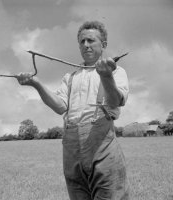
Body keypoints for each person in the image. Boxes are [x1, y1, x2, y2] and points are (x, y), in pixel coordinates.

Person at [17, 21, 129, 200]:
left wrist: (106, 75)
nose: (85, 45)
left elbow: (115, 102)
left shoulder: (116, 72)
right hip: (71, 149)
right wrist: (35, 83)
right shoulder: (70, 77)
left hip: (102, 145)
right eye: (82, 41)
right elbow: (60, 106)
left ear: (104, 45)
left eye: (91, 40)